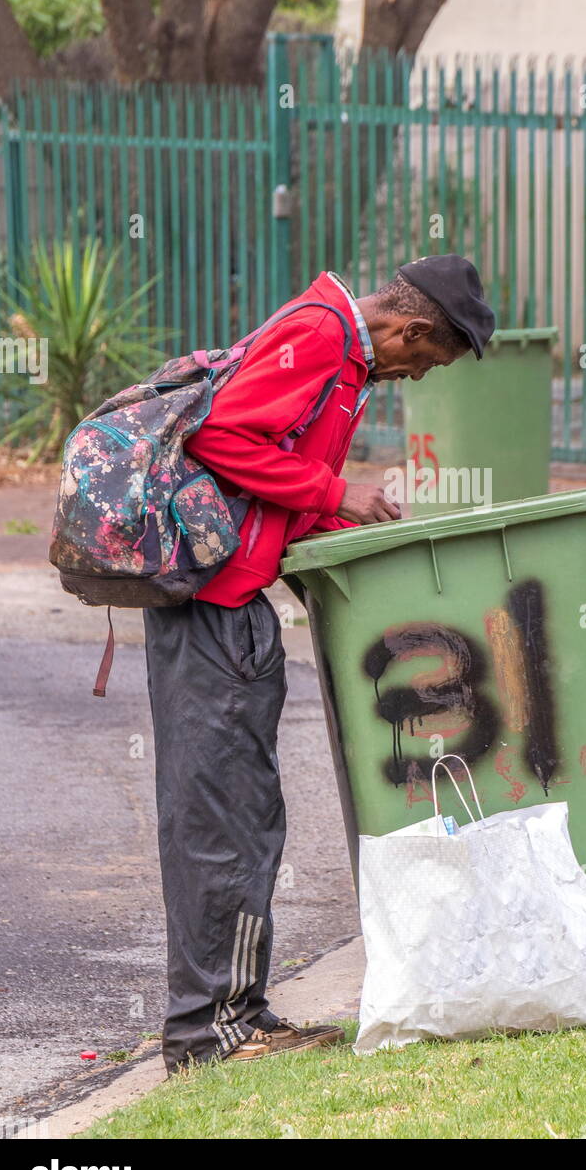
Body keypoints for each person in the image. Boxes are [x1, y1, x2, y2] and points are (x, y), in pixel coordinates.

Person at [142, 254, 495, 1074]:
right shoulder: (320, 335)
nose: (416, 376)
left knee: (247, 818)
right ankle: (205, 1032)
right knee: (218, 824)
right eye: (427, 359)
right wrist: (338, 494)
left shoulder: (340, 353)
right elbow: (222, 434)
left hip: (236, 605)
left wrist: (339, 525)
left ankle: (241, 1014)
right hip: (210, 613)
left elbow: (271, 473)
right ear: (409, 329)